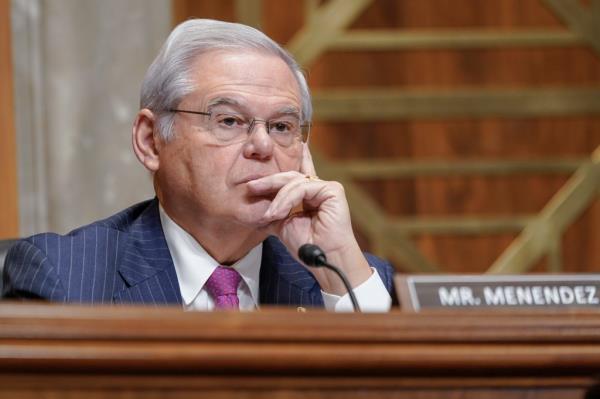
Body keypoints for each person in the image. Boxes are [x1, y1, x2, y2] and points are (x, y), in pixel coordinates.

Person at [3, 19, 394, 312]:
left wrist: (338, 265)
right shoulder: (65, 280)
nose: (262, 145)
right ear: (150, 140)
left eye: (281, 126)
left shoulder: (352, 278)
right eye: (229, 121)